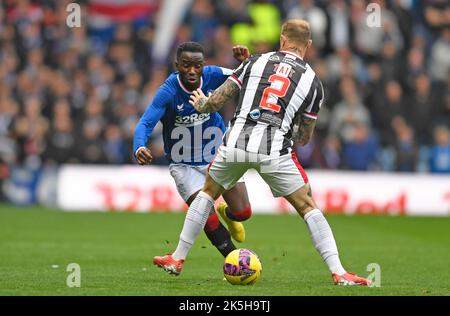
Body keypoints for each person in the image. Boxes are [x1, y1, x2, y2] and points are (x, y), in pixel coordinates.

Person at [153, 20, 371, 286]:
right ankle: (339, 272)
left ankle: (177, 258)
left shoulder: (255, 61)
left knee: (208, 193)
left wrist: (202, 104)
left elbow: (217, 100)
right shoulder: (313, 81)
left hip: (236, 141)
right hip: (274, 148)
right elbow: (305, 136)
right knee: (307, 206)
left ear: (282, 39)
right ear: (308, 45)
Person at [134, 42, 253, 265]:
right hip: (184, 165)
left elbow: (248, 76)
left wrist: (246, 61)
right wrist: (140, 146)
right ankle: (237, 263)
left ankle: (228, 213)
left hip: (218, 154)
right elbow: (145, 123)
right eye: (186, 65)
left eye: (196, 66)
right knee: (206, 217)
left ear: (203, 65)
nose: (191, 70)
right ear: (177, 64)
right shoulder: (168, 92)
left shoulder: (214, 75)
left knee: (244, 212)